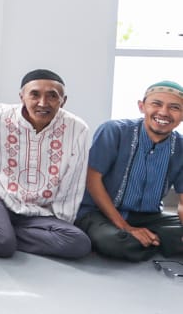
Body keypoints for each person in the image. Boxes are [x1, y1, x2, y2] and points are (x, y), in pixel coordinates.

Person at [0, 69, 91, 259]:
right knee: (1, 244)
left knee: (78, 243)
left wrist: (61, 220)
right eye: (35, 95)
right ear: (22, 97)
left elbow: (74, 178)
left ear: (63, 101)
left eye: (52, 96)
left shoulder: (77, 128)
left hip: (33, 209)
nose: (43, 103)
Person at [75, 80, 183, 260]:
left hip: (149, 217)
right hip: (100, 213)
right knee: (115, 242)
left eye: (174, 107)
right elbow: (92, 181)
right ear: (142, 107)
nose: (164, 112)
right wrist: (125, 227)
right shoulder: (113, 131)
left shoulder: (181, 146)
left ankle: (145, 240)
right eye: (156, 104)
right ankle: (151, 241)